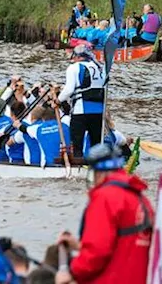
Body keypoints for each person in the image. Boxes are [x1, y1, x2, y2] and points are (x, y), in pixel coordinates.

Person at [55, 143, 154, 284]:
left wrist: (71, 272)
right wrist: (79, 246)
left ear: (98, 173)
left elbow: (97, 253)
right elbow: (121, 243)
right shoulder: (140, 197)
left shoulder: (105, 197)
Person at [57, 47, 106, 159]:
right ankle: (97, 166)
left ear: (78, 57)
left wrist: (58, 100)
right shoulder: (99, 68)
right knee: (96, 143)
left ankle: (78, 166)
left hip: (80, 111)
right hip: (99, 112)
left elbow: (69, 90)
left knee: (77, 144)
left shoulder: (74, 67)